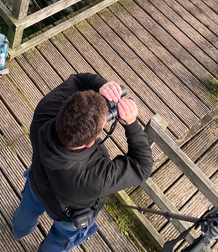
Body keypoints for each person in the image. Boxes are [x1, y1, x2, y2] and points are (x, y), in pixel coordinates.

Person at [12, 73, 153, 252]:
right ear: (89, 142)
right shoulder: (95, 177)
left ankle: (19, 231)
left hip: (38, 183)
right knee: (59, 242)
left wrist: (101, 87)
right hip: (69, 215)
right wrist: (131, 124)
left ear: (64, 106)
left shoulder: (45, 111)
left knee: (27, 210)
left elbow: (78, 80)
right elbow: (143, 167)